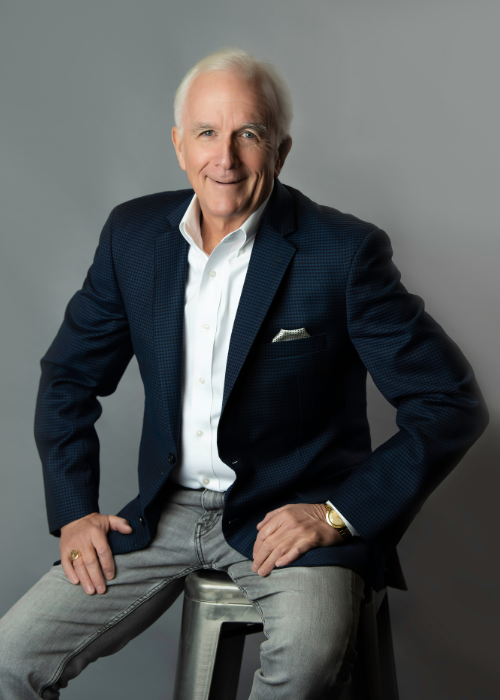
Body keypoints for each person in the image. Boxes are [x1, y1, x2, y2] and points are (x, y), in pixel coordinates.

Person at [0, 47, 488, 699]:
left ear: (280, 151)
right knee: (11, 659)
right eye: (207, 132)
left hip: (290, 513)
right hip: (163, 514)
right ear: (179, 145)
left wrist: (337, 515)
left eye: (248, 134)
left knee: (307, 659)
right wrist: (73, 511)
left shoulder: (342, 253)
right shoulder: (133, 236)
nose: (224, 158)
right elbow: (67, 376)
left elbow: (449, 401)